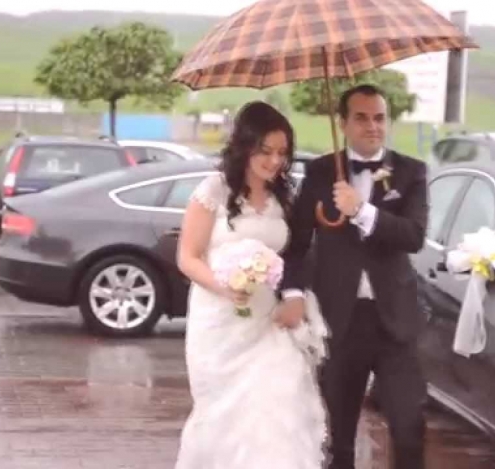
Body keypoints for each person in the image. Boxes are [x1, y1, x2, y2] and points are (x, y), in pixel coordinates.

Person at [277, 84, 430, 469]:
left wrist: (361, 210)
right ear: (343, 123)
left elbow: (413, 236)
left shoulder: (411, 171)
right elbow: (296, 243)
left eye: (379, 117)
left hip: (394, 320)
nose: (372, 126)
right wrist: (292, 292)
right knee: (339, 440)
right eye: (361, 118)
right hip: (339, 321)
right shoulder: (320, 172)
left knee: (409, 428)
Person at [173, 101, 328, 469]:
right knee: (224, 417)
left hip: (268, 321)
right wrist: (224, 286)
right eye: (266, 151)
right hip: (220, 323)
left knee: (279, 403)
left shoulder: (283, 197)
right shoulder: (213, 190)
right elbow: (188, 257)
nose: (275, 161)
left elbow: (295, 254)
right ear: (245, 146)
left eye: (282, 153)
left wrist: (292, 295)